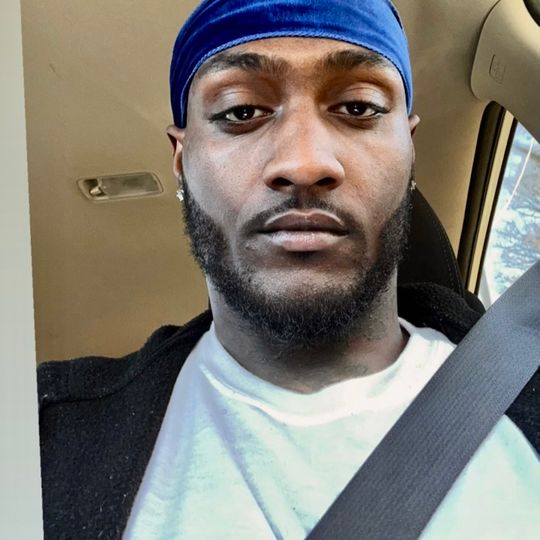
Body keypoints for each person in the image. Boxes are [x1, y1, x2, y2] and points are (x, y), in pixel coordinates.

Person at [38, 1, 539, 539]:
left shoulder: (523, 383)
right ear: (181, 159)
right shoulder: (42, 435)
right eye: (239, 112)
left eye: (359, 107)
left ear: (409, 152)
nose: (304, 163)